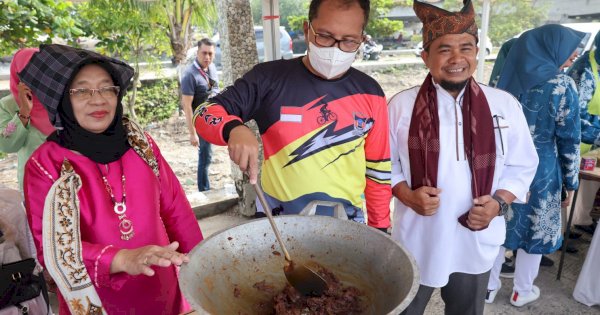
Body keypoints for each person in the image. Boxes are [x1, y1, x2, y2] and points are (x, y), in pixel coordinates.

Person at [20, 44, 203, 315]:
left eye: (107, 88)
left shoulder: (140, 142)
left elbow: (177, 209)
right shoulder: (46, 164)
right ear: (63, 99)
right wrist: (120, 258)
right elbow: (54, 250)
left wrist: (204, 263)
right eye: (82, 90)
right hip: (97, 301)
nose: (98, 99)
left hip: (161, 292)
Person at [388, 1, 538, 314]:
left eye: (466, 48)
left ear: (477, 52)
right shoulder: (401, 106)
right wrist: (406, 195)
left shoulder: (504, 105)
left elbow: (523, 165)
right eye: (444, 49)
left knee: (466, 311)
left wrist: (499, 203)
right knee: (405, 309)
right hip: (419, 235)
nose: (457, 59)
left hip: (475, 236)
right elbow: (383, 165)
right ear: (425, 57)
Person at [194, 0, 391, 230]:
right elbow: (203, 112)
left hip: (347, 229)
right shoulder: (268, 79)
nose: (335, 49)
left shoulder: (371, 93)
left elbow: (378, 172)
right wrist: (233, 129)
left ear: (361, 39)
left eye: (348, 41)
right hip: (276, 228)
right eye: (325, 36)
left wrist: (380, 230)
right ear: (308, 30)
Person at [485, 24, 585, 307]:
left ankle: (488, 288)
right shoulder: (562, 85)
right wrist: (570, 181)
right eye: (567, 49)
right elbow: (569, 137)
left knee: (500, 224)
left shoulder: (504, 81)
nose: (573, 54)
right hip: (543, 168)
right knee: (536, 228)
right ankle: (521, 290)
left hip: (504, 166)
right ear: (550, 49)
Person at [0, 48, 55, 190]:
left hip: (71, 183)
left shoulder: (62, 101)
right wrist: (24, 111)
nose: (35, 79)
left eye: (41, 73)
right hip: (34, 185)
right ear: (18, 75)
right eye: (27, 73)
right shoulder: (8, 105)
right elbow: (7, 145)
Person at [568, 31, 600, 235]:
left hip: (592, 139)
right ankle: (563, 232)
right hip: (578, 138)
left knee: (587, 187)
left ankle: (580, 219)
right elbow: (575, 113)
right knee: (570, 189)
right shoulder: (585, 69)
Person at [181, 38, 220, 192]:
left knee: (209, 156)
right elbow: (187, 106)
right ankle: (204, 190)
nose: (207, 57)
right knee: (205, 156)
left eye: (210, 54)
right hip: (199, 122)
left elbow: (215, 90)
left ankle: (206, 187)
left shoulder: (212, 69)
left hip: (212, 120)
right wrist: (192, 134)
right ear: (197, 52)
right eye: (204, 53)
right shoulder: (190, 75)